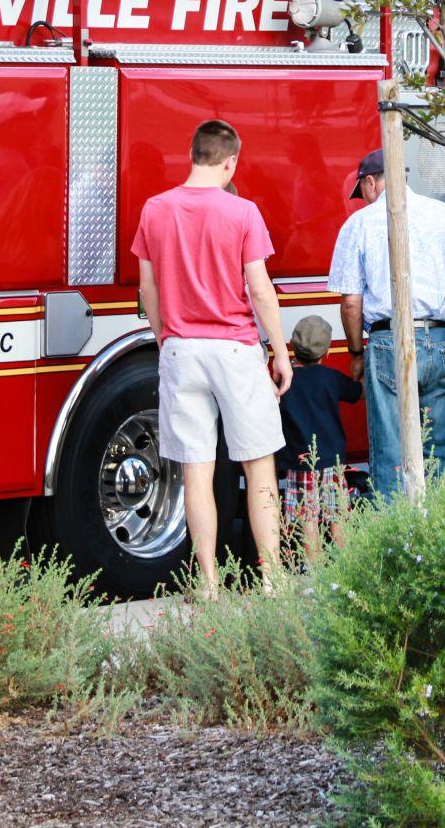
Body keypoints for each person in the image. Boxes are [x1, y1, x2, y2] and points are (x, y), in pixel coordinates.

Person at [132, 120, 291, 598]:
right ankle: (272, 581)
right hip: (235, 350)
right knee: (258, 466)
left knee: (196, 472)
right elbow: (259, 290)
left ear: (192, 154)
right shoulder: (242, 212)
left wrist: (165, 339)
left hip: (181, 350)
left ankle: (207, 584)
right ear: (230, 162)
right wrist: (280, 352)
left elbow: (148, 288)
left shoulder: (155, 210)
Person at [329, 147, 445, 501]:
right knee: (441, 446)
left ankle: (397, 540)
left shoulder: (360, 224)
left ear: (370, 182)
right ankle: (441, 530)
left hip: (387, 341)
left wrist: (354, 352)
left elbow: (351, 302)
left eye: (362, 191)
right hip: (443, 338)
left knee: (390, 448)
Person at [276, 315, 363, 563]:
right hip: (332, 460)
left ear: (292, 346)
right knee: (337, 514)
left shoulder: (285, 381)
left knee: (308, 518)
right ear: (326, 352)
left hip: (301, 461)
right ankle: (347, 563)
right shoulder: (331, 377)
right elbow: (357, 392)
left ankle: (315, 570)